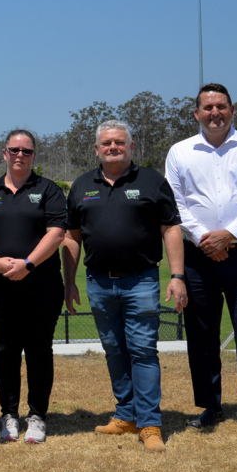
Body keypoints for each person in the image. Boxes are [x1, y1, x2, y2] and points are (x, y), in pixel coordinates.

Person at [165, 83, 237, 444]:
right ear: (196, 113)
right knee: (202, 337)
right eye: (207, 107)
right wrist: (207, 238)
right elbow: (176, 204)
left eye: (221, 106)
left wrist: (228, 235)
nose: (214, 112)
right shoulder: (180, 152)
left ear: (232, 110)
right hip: (198, 258)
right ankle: (210, 407)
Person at [62, 120, 188, 453]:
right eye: (107, 143)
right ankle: (126, 415)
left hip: (141, 281)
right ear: (97, 149)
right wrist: (69, 282)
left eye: (119, 142)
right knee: (115, 351)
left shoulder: (151, 181)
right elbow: (72, 238)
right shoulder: (81, 185)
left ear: (131, 146)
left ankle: (149, 423)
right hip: (99, 283)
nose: (113, 147)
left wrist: (177, 276)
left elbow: (171, 229)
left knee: (143, 351)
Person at [0, 129, 67, 444]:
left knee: (39, 351)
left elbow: (55, 234)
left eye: (27, 151)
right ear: (4, 153)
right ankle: (9, 416)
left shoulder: (49, 189)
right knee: (5, 353)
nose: (20, 156)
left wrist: (27, 265)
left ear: (34, 156)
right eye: (15, 150)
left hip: (42, 286)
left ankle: (37, 416)